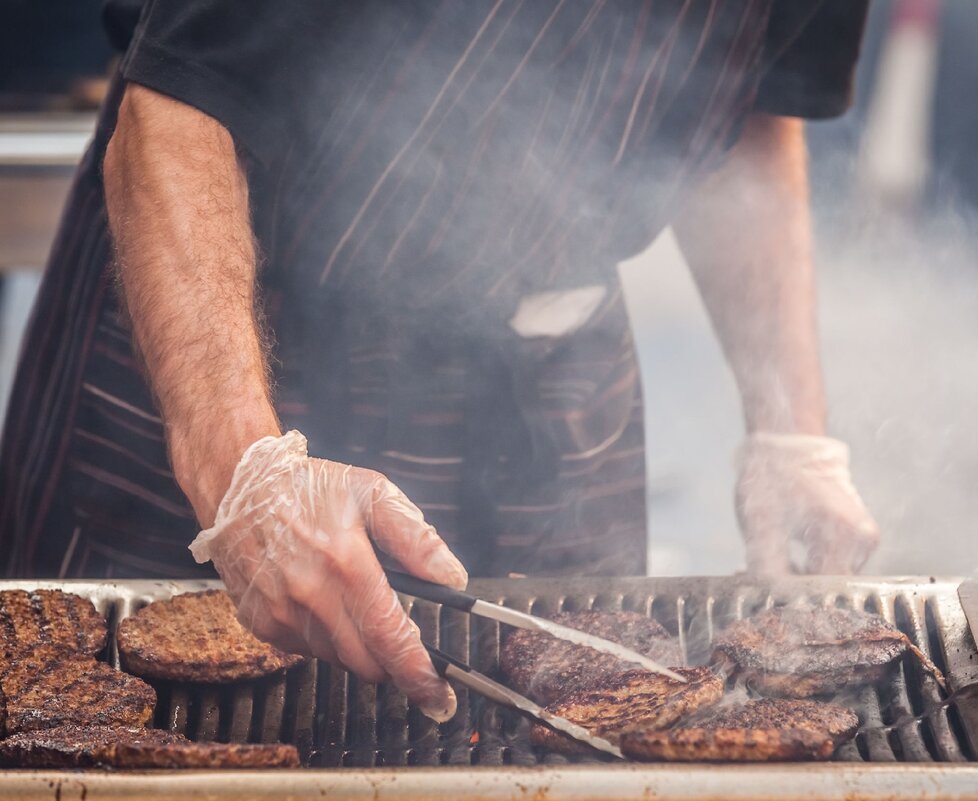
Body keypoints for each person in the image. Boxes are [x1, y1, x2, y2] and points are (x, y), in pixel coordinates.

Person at [0, 1, 880, 721]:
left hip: (548, 389)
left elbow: (754, 109)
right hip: (239, 342)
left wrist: (791, 435)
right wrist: (247, 478)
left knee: (568, 731)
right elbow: (171, 112)